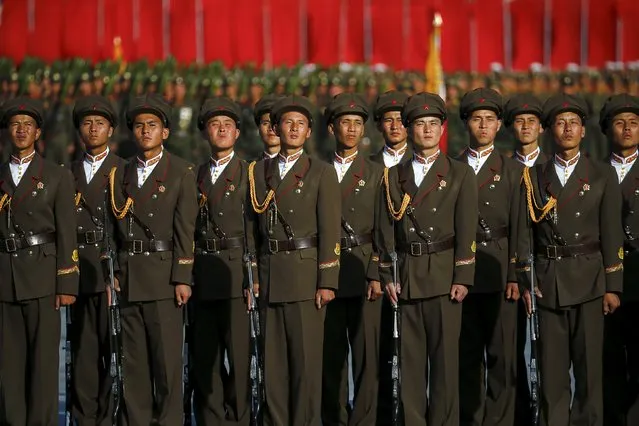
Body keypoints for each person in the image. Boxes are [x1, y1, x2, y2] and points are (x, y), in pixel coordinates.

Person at [516, 93, 624, 426]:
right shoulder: (534, 175)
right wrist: (525, 282)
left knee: (590, 372)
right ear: (549, 130)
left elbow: (611, 234)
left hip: (590, 281)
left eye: (574, 123)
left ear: (583, 131)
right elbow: (524, 236)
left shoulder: (602, 174)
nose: (567, 129)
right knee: (551, 374)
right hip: (548, 283)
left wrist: (613, 286)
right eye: (561, 123)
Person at [376, 91, 478, 426]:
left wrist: (463, 277)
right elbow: (385, 232)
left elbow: (466, 230)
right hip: (407, 277)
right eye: (420, 124)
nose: (428, 130)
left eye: (434, 124)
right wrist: (387, 276)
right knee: (410, 365)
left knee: (446, 367)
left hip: (445, 277)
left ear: (442, 129)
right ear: (409, 129)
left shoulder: (460, 173)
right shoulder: (393, 176)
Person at [247, 95, 341, 426]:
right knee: (273, 371)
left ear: (309, 131)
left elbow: (330, 231)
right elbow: (251, 231)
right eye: (287, 123)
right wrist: (254, 277)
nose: (294, 129)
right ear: (275, 128)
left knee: (305, 368)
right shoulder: (257, 172)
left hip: (305, 278)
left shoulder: (321, 172)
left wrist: (327, 281)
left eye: (301, 124)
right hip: (271, 278)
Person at [108, 93, 198, 425]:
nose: (146, 131)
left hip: (164, 281)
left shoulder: (180, 172)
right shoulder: (121, 172)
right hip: (130, 278)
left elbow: (184, 231)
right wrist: (115, 270)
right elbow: (113, 228)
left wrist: (182, 277)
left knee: (167, 370)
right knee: (134, 369)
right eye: (140, 126)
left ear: (166, 132)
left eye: (153, 125)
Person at [0, 97, 79, 425]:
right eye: (15, 125)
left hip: (43, 276)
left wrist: (66, 282)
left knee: (44, 365)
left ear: (38, 133)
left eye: (27, 125)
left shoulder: (57, 175)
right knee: (8, 366)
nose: (21, 130)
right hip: (5, 276)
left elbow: (66, 233)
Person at [457, 87, 521, 426]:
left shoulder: (511, 171)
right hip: (462, 275)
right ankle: (471, 417)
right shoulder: (451, 168)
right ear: (466, 123)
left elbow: (519, 228)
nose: (483, 126)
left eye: (490, 120)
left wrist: (514, 274)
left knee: (501, 356)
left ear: (499, 126)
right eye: (476, 119)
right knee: (465, 356)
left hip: (498, 272)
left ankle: (499, 420)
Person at [191, 96, 257, 425]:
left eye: (227, 125)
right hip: (202, 276)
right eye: (214, 125)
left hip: (236, 276)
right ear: (205, 132)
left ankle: (240, 419)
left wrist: (253, 277)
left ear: (237, 133)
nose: (221, 130)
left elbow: (255, 229)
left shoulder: (250, 174)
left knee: (240, 363)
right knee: (205, 363)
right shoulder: (195, 175)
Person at [320, 93, 384, 425]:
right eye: (345, 122)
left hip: (362, 273)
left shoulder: (375, 173)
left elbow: (383, 230)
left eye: (358, 124)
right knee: (329, 358)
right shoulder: (316, 170)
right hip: (328, 275)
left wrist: (375, 272)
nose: (352, 129)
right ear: (332, 128)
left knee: (366, 358)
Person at [70, 95, 126, 425]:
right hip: (78, 270)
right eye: (87, 124)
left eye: (100, 123)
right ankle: (84, 416)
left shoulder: (123, 169)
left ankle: (108, 417)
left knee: (113, 352)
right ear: (80, 131)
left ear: (111, 130)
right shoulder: (67, 173)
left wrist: (116, 273)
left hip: (108, 271)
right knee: (82, 354)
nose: (94, 129)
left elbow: (126, 226)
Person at [503, 93, 549, 426]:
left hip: (549, 268)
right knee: (511, 348)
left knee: (549, 350)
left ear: (542, 128)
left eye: (532, 121)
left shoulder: (553, 166)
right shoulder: (504, 168)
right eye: (519, 121)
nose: (525, 126)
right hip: (512, 268)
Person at [600, 93, 639, 426]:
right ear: (606, 129)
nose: (627, 130)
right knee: (609, 359)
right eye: (619, 123)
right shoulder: (594, 172)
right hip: (605, 279)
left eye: (634, 123)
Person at [370, 90, 411, 168]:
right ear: (379, 125)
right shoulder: (368, 166)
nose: (394, 126)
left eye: (400, 120)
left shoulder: (420, 163)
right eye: (388, 120)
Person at [254, 94, 285, 160]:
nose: (271, 128)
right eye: (265, 123)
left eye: (276, 123)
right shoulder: (249, 168)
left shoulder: (307, 167)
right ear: (259, 128)